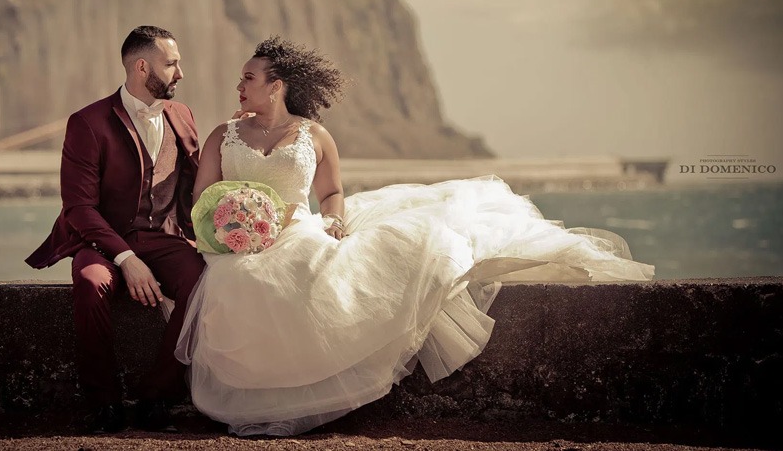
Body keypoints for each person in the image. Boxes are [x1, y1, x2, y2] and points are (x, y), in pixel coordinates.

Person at [175, 36, 655, 436]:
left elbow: (333, 192)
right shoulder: (223, 135)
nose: (239, 85)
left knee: (329, 270)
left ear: (275, 86)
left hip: (300, 228)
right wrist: (235, 226)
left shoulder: (314, 135)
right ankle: (265, 395)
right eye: (241, 78)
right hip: (240, 240)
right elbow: (203, 199)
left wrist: (335, 219)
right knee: (243, 285)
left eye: (249, 78)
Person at [26, 25, 205, 434]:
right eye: (172, 63)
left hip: (163, 237)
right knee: (90, 284)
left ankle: (157, 395)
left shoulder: (182, 114)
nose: (180, 73)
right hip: (102, 242)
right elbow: (78, 207)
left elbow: (197, 186)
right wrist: (126, 258)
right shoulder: (87, 122)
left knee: (204, 281)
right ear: (142, 67)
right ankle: (102, 402)